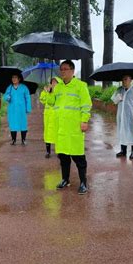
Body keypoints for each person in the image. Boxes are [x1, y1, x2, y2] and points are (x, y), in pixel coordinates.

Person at [43, 60, 92, 195]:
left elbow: (86, 104)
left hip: (74, 127)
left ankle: (83, 182)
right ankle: (65, 179)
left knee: (78, 157)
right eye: (61, 69)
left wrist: (84, 120)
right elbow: (52, 103)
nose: (62, 72)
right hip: (61, 128)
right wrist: (50, 92)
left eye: (65, 69)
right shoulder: (57, 87)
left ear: (72, 70)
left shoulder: (80, 86)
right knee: (63, 156)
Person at [111, 75, 133, 160]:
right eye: (122, 79)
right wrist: (118, 97)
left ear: (130, 80)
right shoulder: (119, 90)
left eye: (125, 79)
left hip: (132, 116)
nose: (123, 81)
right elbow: (114, 101)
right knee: (122, 132)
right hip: (121, 116)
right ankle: (123, 151)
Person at [4, 74, 32, 145]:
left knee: (23, 124)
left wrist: (28, 108)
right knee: (13, 124)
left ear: (19, 79)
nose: (14, 79)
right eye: (13, 77)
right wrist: (7, 97)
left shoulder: (24, 88)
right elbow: (5, 96)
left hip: (21, 109)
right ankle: (13, 140)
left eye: (15, 78)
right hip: (12, 109)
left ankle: (23, 140)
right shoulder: (9, 87)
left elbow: (27, 98)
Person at [39, 77, 61, 158]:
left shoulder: (59, 92)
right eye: (52, 82)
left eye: (55, 82)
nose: (53, 83)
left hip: (56, 115)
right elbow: (42, 100)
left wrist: (52, 93)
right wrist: (45, 92)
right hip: (48, 116)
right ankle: (48, 152)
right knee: (48, 134)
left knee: (57, 134)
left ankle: (59, 152)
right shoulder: (47, 90)